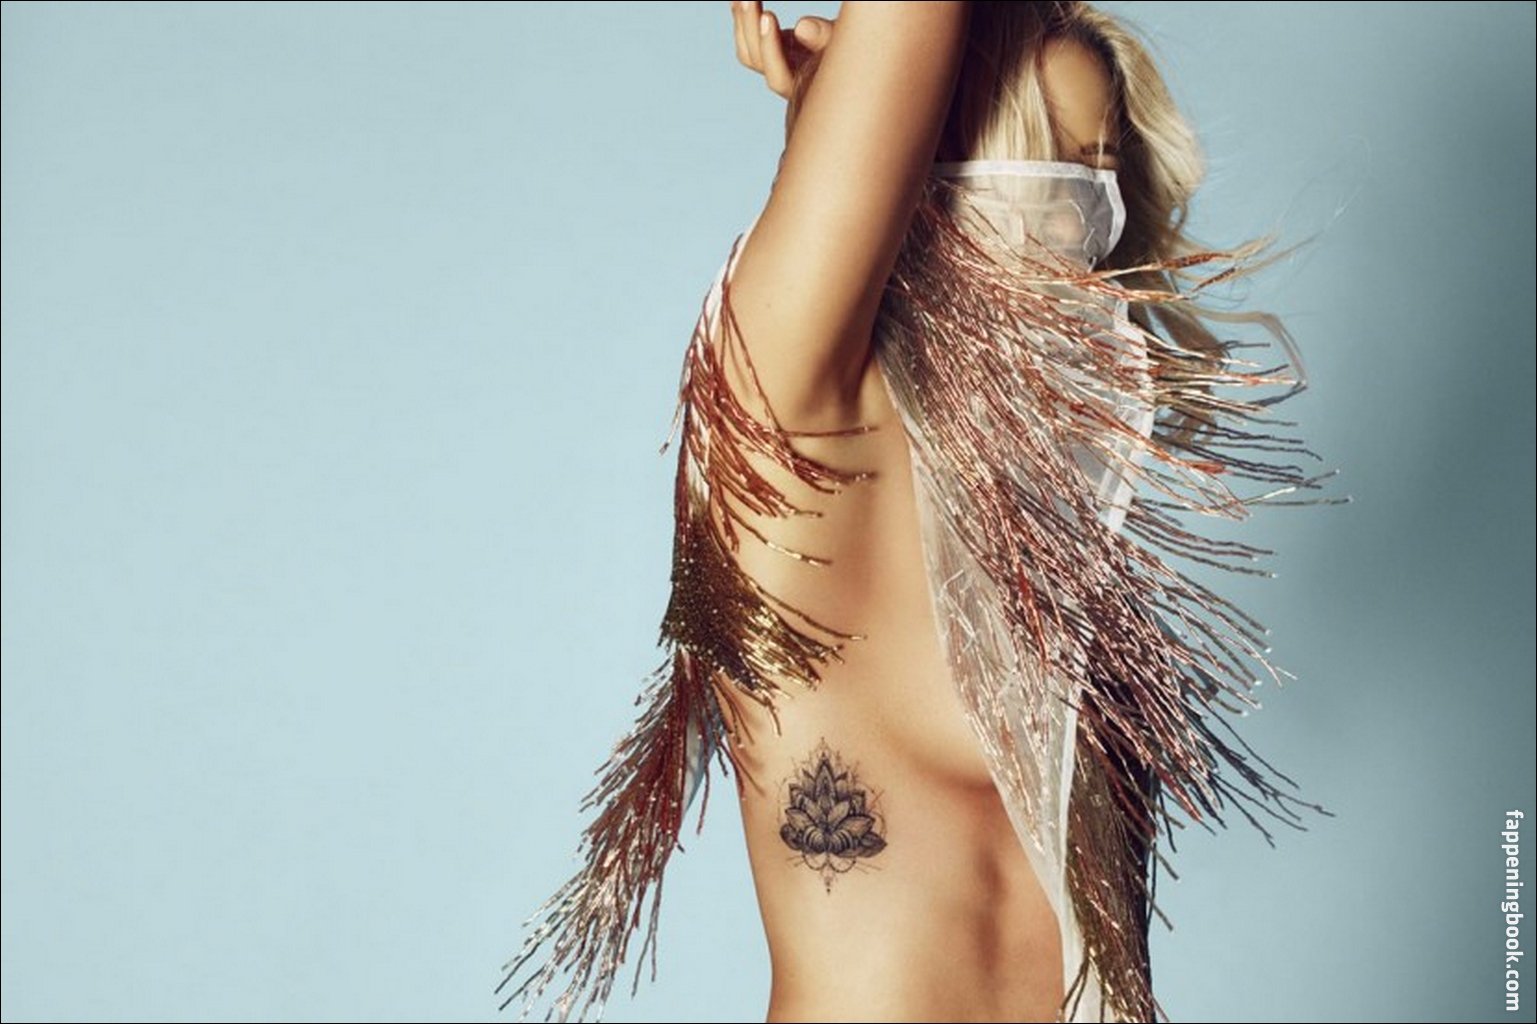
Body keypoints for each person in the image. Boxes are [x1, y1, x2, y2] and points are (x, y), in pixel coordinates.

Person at [498, 3, 1345, 1021]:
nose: (1075, 232)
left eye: (1098, 177)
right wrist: (842, 111)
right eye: (1043, 171)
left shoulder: (1064, 574)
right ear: (910, 171)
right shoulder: (795, 428)